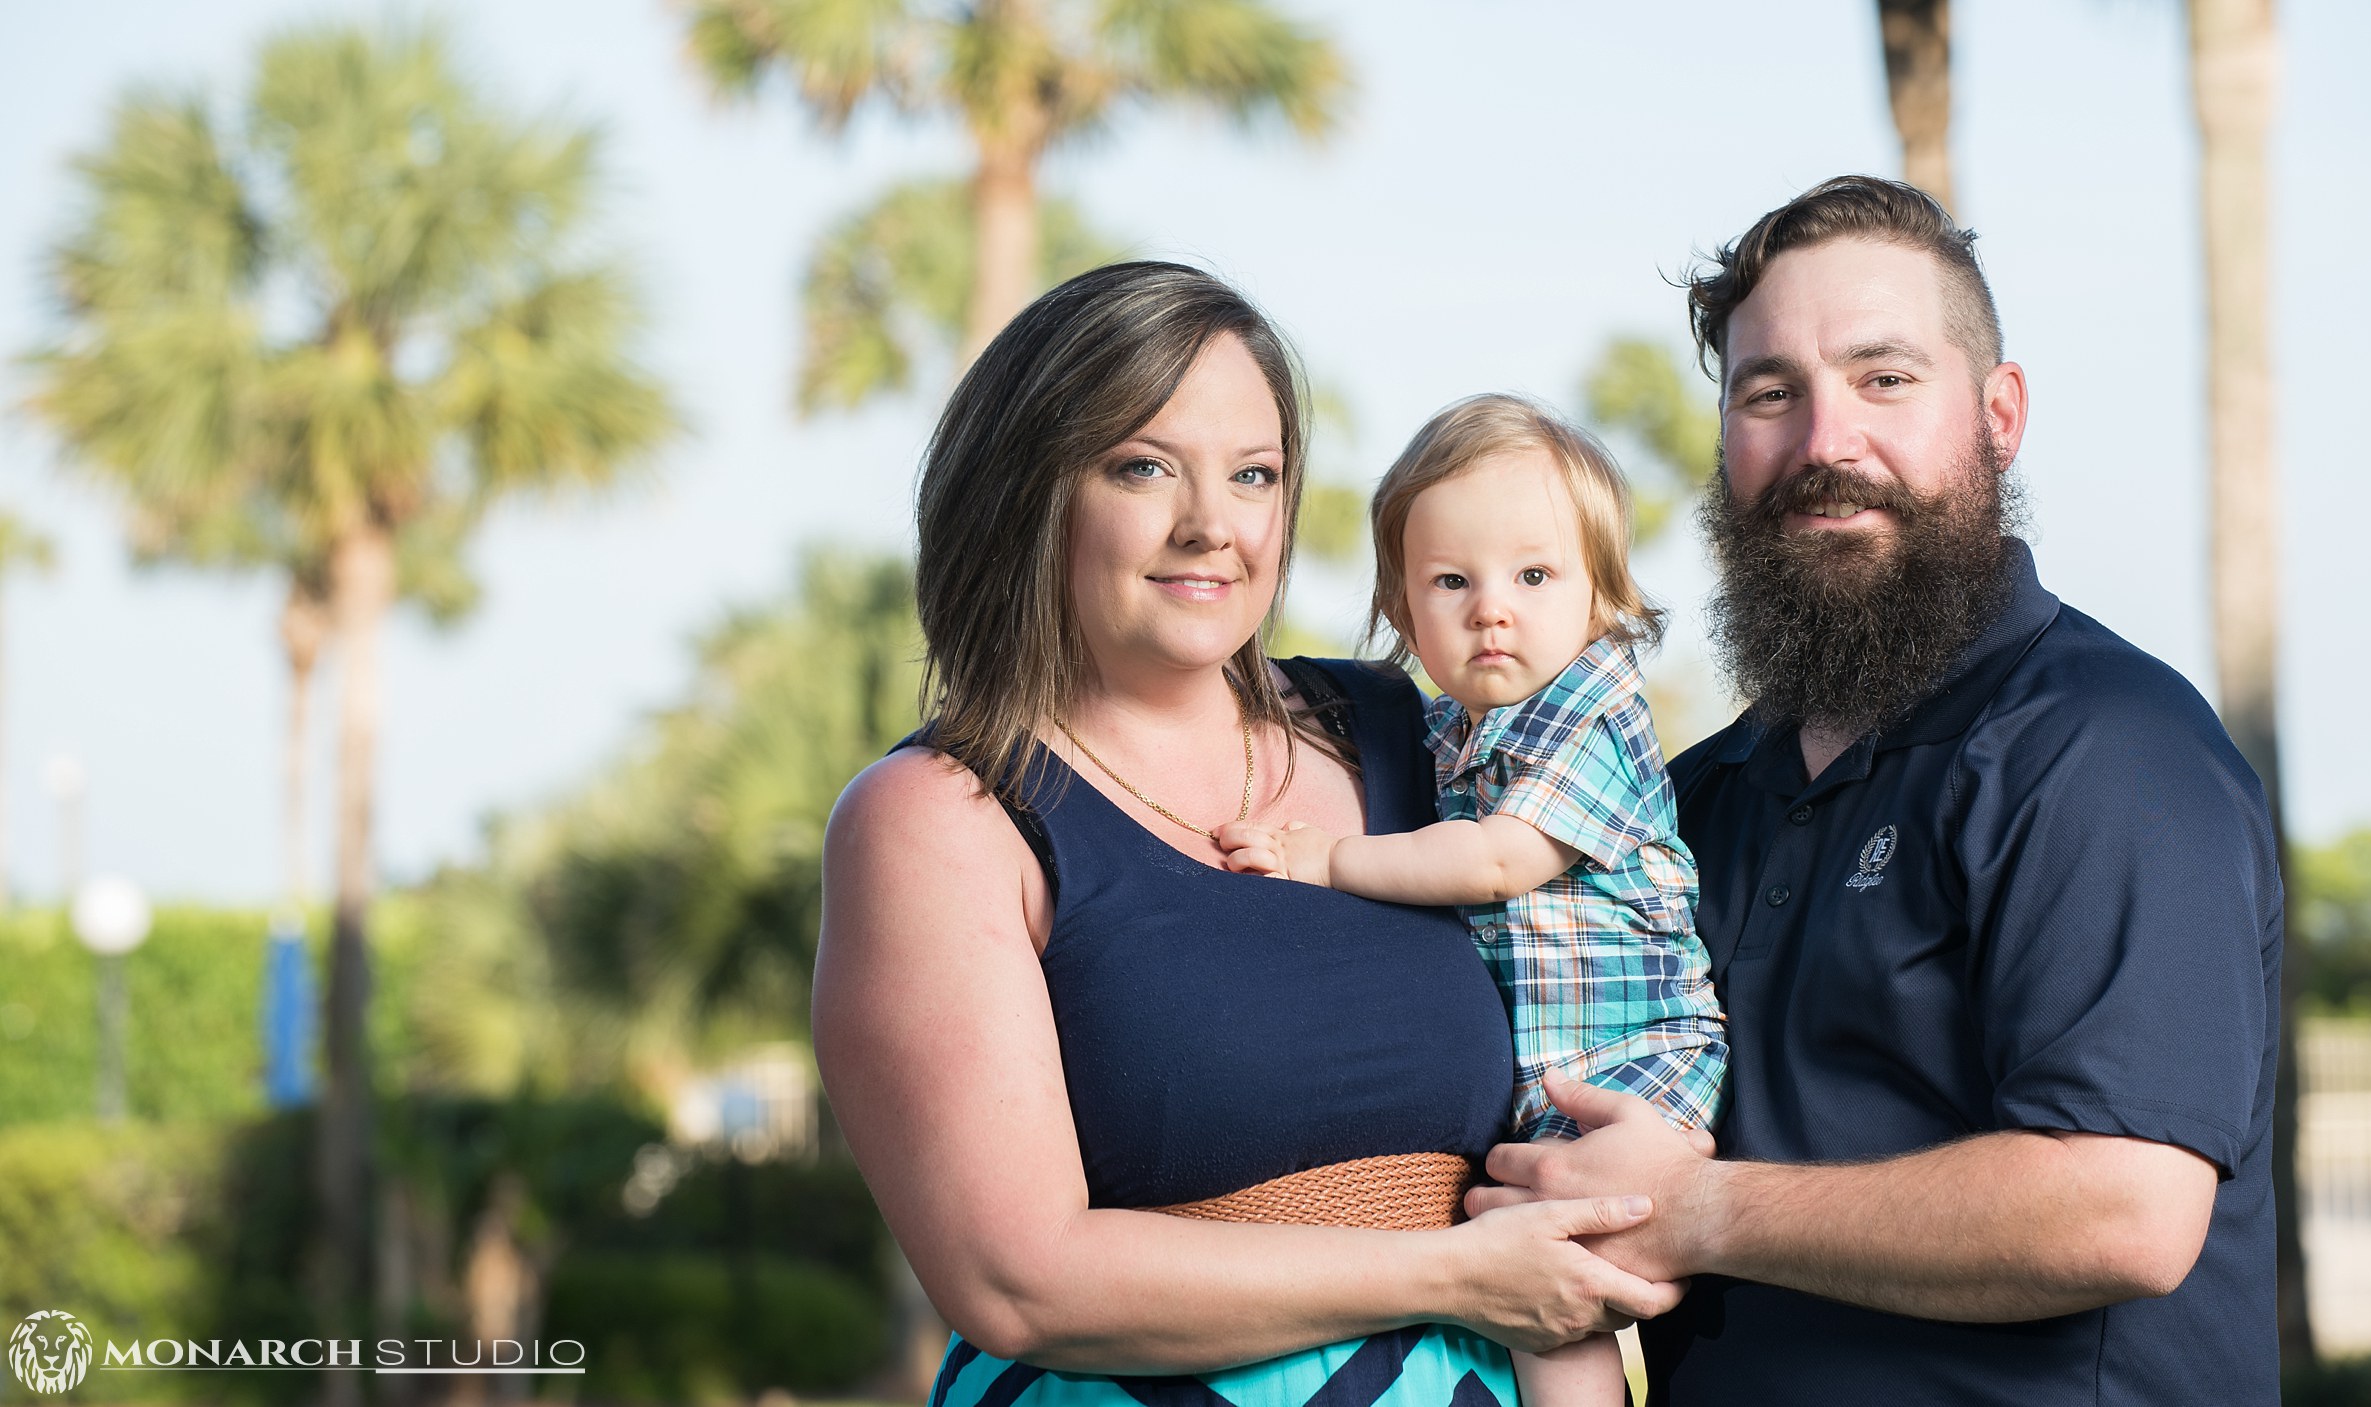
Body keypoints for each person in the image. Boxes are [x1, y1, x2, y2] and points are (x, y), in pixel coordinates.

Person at [1467, 176, 2283, 1404]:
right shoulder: (1683, 803)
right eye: (1769, 393)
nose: (1824, 444)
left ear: (1999, 415)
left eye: (1883, 379)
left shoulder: (2108, 747)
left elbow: (2122, 1209)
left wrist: (1698, 1212)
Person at [815, 261, 1677, 1407]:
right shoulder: (937, 819)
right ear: (1031, 492)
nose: (1211, 526)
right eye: (1142, 466)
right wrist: (1457, 1274)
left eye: (1254, 474)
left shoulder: (1416, 738)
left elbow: (1625, 945)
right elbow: (1015, 1280)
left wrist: (1663, 1149)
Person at [1217, 394, 1727, 1407]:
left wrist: (1328, 860)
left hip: (1630, 1068)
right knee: (1526, 1280)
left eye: (1534, 576)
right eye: (1450, 581)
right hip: (1550, 1085)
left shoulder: (1592, 708)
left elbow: (1495, 863)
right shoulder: (1454, 730)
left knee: (1551, 1294)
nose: (1491, 607)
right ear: (1403, 614)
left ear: (1598, 598)